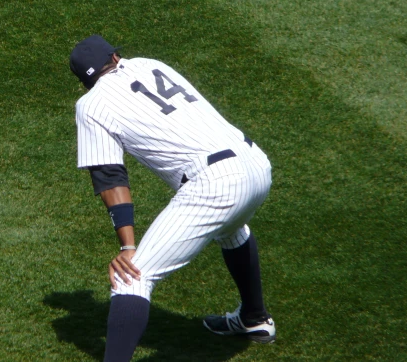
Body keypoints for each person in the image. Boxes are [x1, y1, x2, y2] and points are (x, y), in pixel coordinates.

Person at [69, 35, 275, 362]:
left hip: (216, 182)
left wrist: (127, 248)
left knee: (131, 278)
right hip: (256, 163)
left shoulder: (91, 104)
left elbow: (110, 177)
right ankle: (254, 318)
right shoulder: (151, 65)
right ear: (116, 56)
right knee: (233, 229)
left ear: (85, 83)